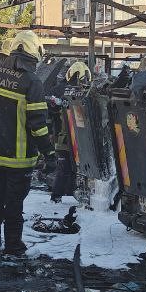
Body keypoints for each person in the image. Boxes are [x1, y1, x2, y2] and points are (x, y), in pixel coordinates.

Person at [0, 31, 53, 255]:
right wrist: (50, 155)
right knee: (14, 204)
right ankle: (13, 245)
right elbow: (38, 124)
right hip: (19, 157)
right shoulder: (31, 81)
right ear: (33, 53)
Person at [48, 61, 90, 203]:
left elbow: (51, 113)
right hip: (71, 139)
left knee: (66, 169)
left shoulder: (58, 90)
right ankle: (59, 197)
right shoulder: (78, 93)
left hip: (62, 138)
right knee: (69, 170)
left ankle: (62, 197)